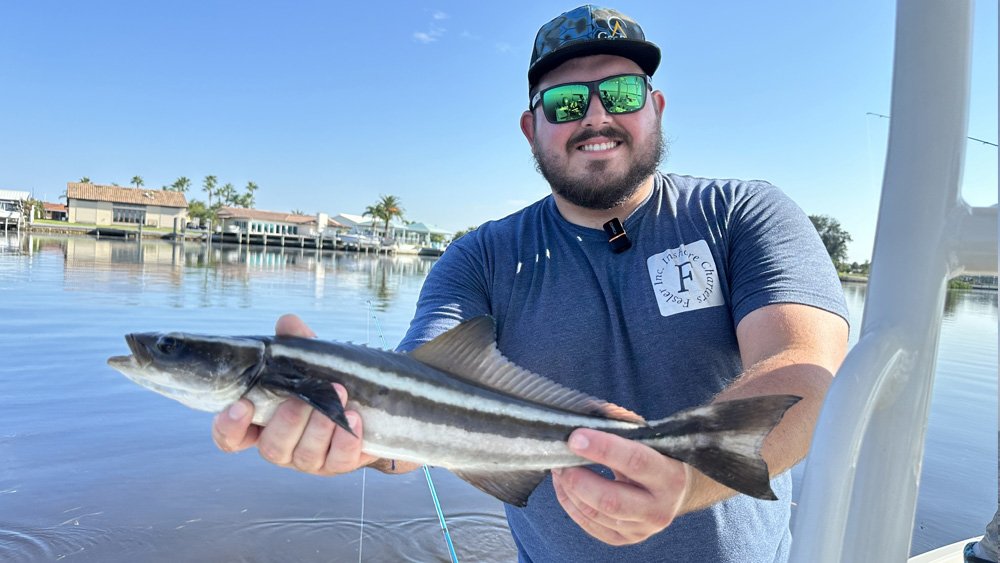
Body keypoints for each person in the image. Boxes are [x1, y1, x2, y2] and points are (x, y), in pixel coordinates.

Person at [212, 5, 849, 561]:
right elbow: (419, 398)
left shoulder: (744, 213)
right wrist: (356, 436)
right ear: (531, 127)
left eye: (622, 93)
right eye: (566, 103)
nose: (596, 118)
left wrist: (687, 477)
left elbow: (804, 373)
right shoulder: (478, 258)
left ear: (655, 107)